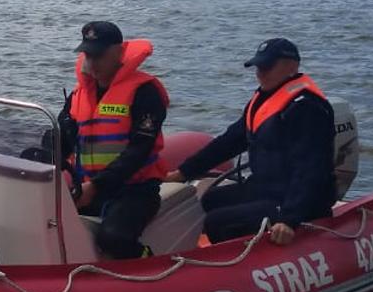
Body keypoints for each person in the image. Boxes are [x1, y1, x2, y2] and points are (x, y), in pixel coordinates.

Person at [166, 38, 335, 245]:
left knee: (217, 221)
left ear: (292, 67)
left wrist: (289, 218)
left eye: (267, 66)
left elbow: (310, 168)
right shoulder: (265, 99)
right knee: (209, 200)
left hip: (298, 199)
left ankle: (245, 264)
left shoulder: (307, 108)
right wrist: (183, 172)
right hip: (267, 187)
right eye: (258, 66)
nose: (260, 72)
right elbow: (228, 143)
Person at [58, 21, 169, 259]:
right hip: (88, 188)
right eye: (88, 54)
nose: (92, 62)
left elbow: (139, 151)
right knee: (42, 221)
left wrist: (97, 186)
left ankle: (149, 260)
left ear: (119, 53)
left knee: (114, 238)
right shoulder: (79, 96)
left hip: (135, 191)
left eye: (99, 55)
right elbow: (61, 142)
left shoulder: (145, 93)